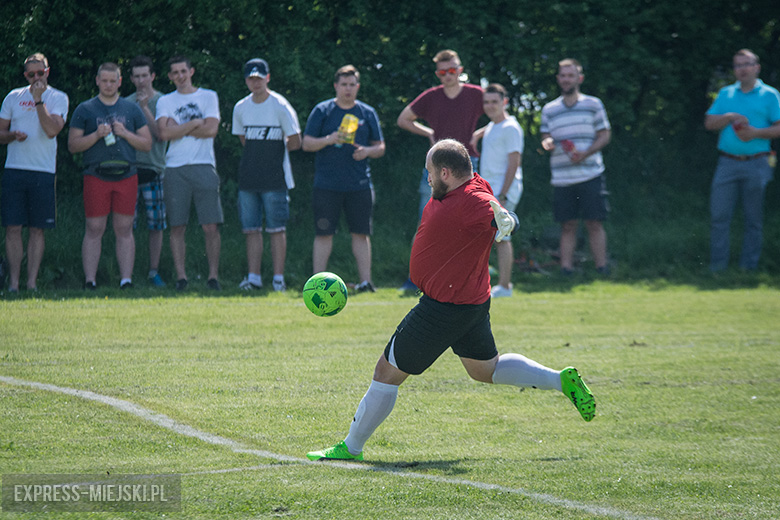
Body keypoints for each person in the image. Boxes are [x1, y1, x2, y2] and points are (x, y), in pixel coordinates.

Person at [306, 139, 595, 462]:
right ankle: (560, 380)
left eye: (429, 172)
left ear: (445, 172)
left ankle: (351, 447)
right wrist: (503, 215)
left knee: (386, 373)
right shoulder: (472, 183)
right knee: (485, 369)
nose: (427, 178)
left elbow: (495, 213)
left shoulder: (471, 199)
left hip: (443, 309)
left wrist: (508, 220)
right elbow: (492, 206)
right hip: (470, 304)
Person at [396, 49, 484, 292]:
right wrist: (429, 133)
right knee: (426, 220)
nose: (448, 75)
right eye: (442, 72)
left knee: (468, 223)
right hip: (436, 167)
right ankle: (415, 279)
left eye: (452, 70)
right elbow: (403, 119)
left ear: (460, 70)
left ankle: (463, 278)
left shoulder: (476, 94)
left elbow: (502, 114)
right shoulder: (431, 96)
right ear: (438, 73)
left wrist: (479, 134)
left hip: (468, 166)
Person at [68, 62, 152, 290]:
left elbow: (147, 144)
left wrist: (125, 133)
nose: (108, 85)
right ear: (97, 81)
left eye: (112, 81)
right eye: (104, 81)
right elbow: (73, 145)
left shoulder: (132, 109)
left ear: (120, 82)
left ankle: (126, 280)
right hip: (96, 174)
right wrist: (96, 135)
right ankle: (90, 281)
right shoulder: (85, 109)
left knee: (124, 228)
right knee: (94, 227)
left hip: (127, 174)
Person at [302, 64, 385, 293]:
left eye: (352, 85)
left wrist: (367, 151)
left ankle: (366, 282)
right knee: (323, 234)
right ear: (335, 86)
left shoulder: (367, 113)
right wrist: (329, 139)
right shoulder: (323, 110)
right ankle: (316, 283)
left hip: (359, 184)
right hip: (326, 184)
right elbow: (306, 143)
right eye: (344, 84)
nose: (348, 89)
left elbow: (380, 147)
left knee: (361, 233)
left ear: (358, 87)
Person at [704, 49, 780, 272]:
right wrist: (729, 117)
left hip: (758, 162)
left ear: (757, 67)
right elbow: (709, 123)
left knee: (753, 219)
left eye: (746, 64)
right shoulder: (726, 94)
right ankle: (717, 269)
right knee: (719, 216)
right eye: (738, 65)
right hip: (727, 163)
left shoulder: (770, 95)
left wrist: (755, 133)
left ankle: (748, 269)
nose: (742, 69)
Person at [0, 53, 69, 293]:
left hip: (43, 170)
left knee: (37, 229)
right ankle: (13, 284)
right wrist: (12, 135)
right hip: (15, 169)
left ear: (47, 72)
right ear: (25, 75)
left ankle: (32, 284)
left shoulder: (58, 97)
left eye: (41, 73)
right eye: (31, 74)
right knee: (13, 228)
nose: (36, 78)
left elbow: (52, 130)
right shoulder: (13, 96)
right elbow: (1, 133)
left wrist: (38, 101)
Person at [232, 58, 301, 292]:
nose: (256, 82)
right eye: (251, 78)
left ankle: (278, 279)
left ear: (268, 78)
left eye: (260, 78)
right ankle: (254, 278)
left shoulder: (280, 105)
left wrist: (272, 153)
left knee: (276, 229)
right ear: (246, 81)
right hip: (248, 178)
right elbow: (244, 139)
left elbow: (295, 141)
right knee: (251, 229)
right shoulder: (240, 107)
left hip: (276, 179)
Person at [156, 56, 224, 291]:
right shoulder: (165, 101)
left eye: (183, 71)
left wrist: (179, 128)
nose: (180, 76)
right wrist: (195, 122)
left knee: (210, 226)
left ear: (191, 71)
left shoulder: (208, 96)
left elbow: (211, 129)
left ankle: (213, 277)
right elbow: (164, 134)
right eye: (175, 73)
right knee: (177, 226)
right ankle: (181, 278)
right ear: (170, 76)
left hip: (204, 165)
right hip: (175, 168)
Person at [540, 58, 612, 275]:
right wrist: (547, 143)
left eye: (571, 75)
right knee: (567, 225)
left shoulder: (593, 104)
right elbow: (545, 136)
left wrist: (586, 153)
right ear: (558, 79)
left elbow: (605, 135)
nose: (566, 79)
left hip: (591, 173)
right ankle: (566, 270)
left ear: (579, 78)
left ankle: (602, 268)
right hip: (562, 178)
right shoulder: (549, 109)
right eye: (563, 75)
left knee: (594, 223)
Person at [472, 83, 523, 298]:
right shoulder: (493, 126)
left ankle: (505, 286)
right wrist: (477, 135)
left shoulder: (511, 128)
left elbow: (514, 162)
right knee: (489, 236)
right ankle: (486, 283)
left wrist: (502, 193)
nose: (490, 106)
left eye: (495, 102)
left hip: (503, 191)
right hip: (490, 191)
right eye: (487, 102)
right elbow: (490, 128)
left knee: (503, 237)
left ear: (505, 102)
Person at [126, 55, 168, 287]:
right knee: (127, 225)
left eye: (145, 75)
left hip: (154, 168)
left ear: (152, 76)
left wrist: (143, 107)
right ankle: (127, 274)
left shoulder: (163, 101)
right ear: (131, 79)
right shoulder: (124, 103)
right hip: (129, 170)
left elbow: (160, 135)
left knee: (156, 224)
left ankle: (154, 271)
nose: (141, 80)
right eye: (137, 76)